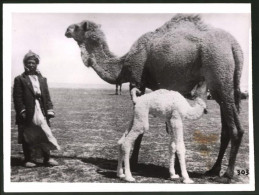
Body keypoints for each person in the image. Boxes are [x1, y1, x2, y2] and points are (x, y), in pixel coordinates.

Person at [13, 50, 60, 167]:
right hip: (27, 112)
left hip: (41, 110)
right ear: (25, 64)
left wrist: (49, 109)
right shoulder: (20, 79)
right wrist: (22, 111)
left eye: (33, 63)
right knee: (27, 134)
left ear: (37, 64)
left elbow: (47, 96)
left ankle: (47, 159)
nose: (31, 65)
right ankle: (28, 159)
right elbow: (17, 98)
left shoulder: (42, 79)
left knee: (44, 132)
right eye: (28, 62)